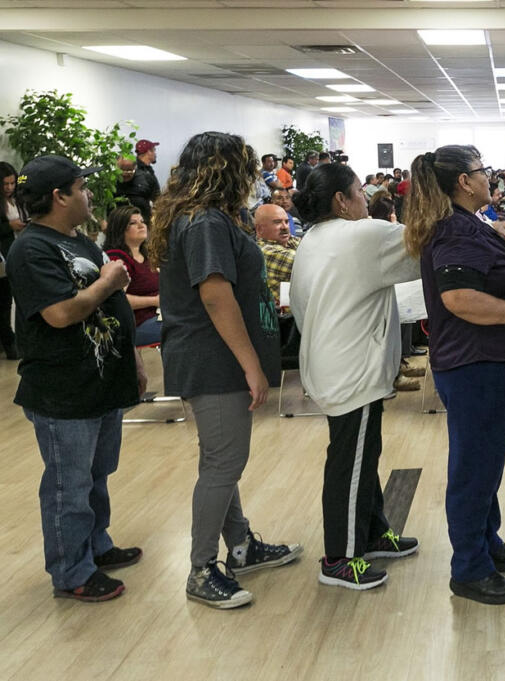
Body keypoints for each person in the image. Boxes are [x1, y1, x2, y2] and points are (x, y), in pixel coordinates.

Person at [150, 132, 301, 609]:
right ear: (225, 169)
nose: (254, 176)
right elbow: (214, 295)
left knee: (222, 456)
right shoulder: (204, 223)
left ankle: (240, 546)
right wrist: (252, 366)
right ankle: (200, 569)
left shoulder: (212, 218)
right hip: (212, 359)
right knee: (223, 463)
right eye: (247, 166)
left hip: (217, 356)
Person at [406, 144, 505, 605]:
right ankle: (469, 567)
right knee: (473, 468)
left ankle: (486, 540)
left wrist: (493, 232)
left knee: (486, 464)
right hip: (474, 366)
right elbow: (459, 298)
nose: (490, 177)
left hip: (488, 364)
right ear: (464, 182)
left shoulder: (469, 224)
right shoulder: (455, 232)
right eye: (482, 172)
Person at [8, 155, 145, 602]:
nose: (89, 194)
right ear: (59, 196)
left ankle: (96, 546)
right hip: (63, 391)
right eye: (81, 186)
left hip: (101, 382)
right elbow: (62, 313)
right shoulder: (31, 250)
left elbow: (115, 309)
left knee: (97, 474)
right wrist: (107, 282)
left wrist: (134, 363)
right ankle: (71, 572)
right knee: (70, 484)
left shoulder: (80, 240)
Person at [290, 162, 422, 590]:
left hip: (334, 364)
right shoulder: (362, 235)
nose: (367, 200)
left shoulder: (314, 237)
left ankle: (371, 530)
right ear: (341, 202)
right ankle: (340, 558)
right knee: (349, 462)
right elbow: (425, 247)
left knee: (363, 453)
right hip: (351, 370)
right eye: (359, 193)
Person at [102, 206, 161, 347]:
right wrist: (154, 301)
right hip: (137, 325)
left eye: (142, 221)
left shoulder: (145, 256)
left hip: (157, 316)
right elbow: (118, 299)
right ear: (120, 229)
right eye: (133, 223)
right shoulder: (117, 257)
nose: (142, 225)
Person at [253, 204, 299, 308]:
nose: (285, 227)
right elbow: (313, 260)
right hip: (286, 321)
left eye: (286, 222)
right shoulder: (265, 251)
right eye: (277, 222)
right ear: (259, 229)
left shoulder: (288, 241)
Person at [1, 161, 24, 358]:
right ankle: (9, 344)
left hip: (19, 253)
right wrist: (10, 226)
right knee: (4, 303)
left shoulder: (18, 200)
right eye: (5, 184)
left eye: (12, 183)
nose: (9, 188)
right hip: (5, 257)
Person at [115, 157, 157, 224]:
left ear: (135, 167)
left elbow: (158, 201)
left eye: (129, 170)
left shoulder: (147, 178)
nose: (125, 173)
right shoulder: (110, 181)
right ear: (116, 167)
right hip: (117, 226)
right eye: (122, 170)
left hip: (142, 225)